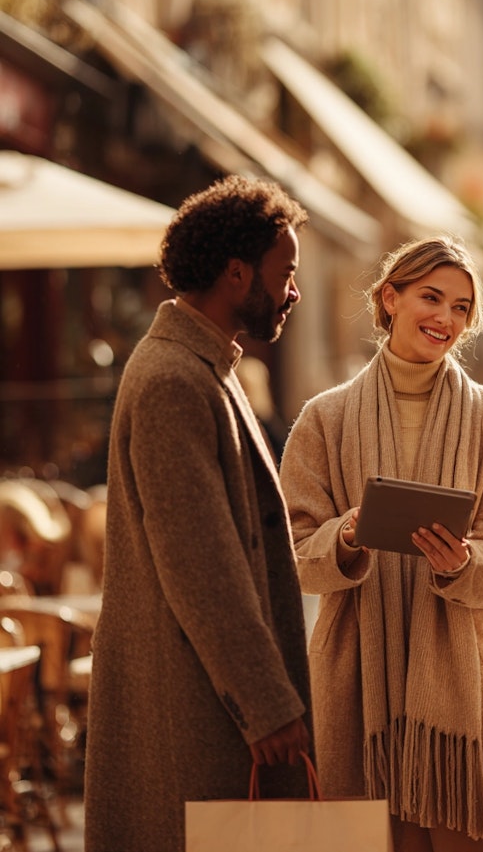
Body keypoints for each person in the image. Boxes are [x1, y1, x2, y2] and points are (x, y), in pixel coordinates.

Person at [280, 235, 483, 852]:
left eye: (462, 308)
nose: (446, 318)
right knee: (368, 839)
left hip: (466, 685)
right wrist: (343, 535)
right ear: (389, 299)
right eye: (431, 297)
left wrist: (464, 563)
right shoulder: (324, 418)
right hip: (356, 674)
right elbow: (289, 553)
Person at [84, 176, 314, 852]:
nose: (293, 290)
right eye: (286, 272)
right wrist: (265, 702)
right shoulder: (173, 380)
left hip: (204, 702)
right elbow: (200, 561)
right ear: (237, 274)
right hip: (196, 710)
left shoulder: (204, 367)